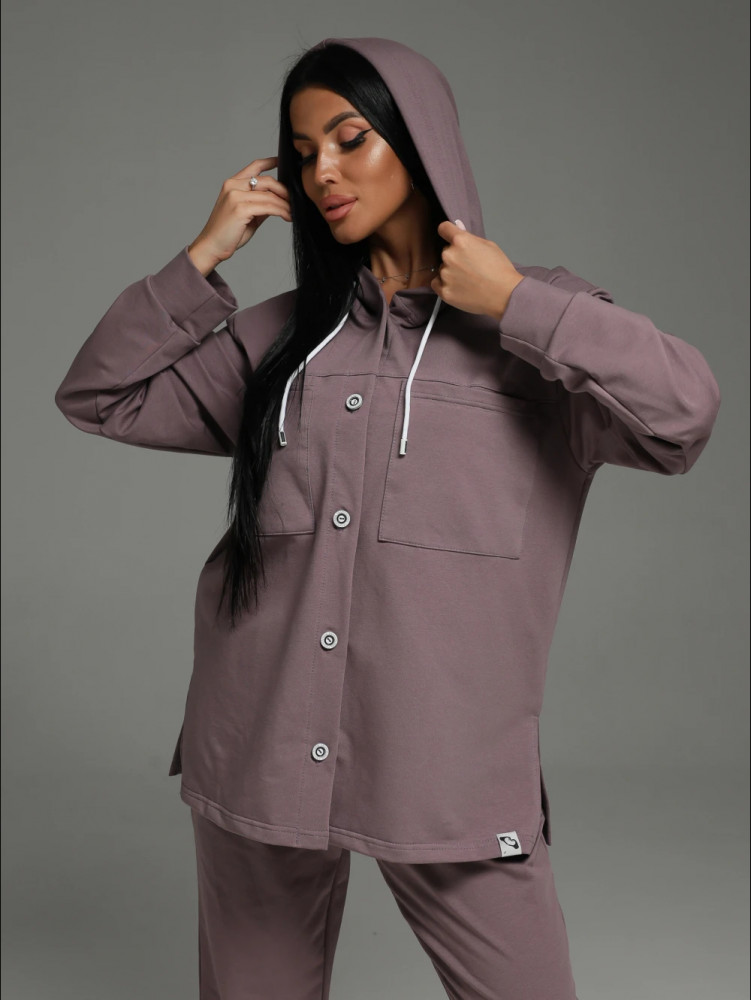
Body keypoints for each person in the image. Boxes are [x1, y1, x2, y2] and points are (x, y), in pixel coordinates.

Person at [54, 35, 721, 1000]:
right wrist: (201, 258)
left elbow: (684, 416)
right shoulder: (281, 339)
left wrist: (518, 302)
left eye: (349, 138)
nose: (321, 171)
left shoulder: (538, 328)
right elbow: (99, 397)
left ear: (420, 141)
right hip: (257, 751)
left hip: (448, 775)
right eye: (301, 153)